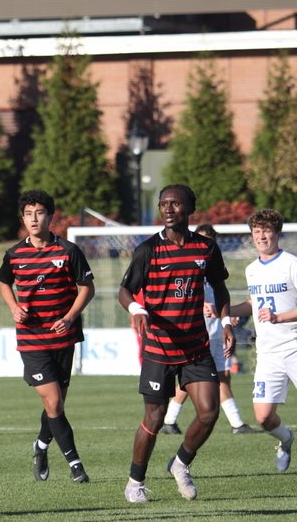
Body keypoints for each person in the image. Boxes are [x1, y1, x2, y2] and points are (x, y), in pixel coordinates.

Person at [119, 184, 234, 503]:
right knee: (154, 418)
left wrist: (225, 322)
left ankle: (180, 463)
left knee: (210, 412)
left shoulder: (206, 249)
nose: (168, 209)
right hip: (159, 348)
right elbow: (124, 291)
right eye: (163, 204)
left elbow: (220, 288)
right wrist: (137, 308)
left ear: (190, 208)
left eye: (175, 203)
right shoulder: (148, 250)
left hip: (196, 347)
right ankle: (135, 482)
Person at [0, 189, 95, 484]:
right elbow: (4, 282)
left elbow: (87, 288)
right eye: (28, 213)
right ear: (23, 218)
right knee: (52, 401)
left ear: (50, 217)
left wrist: (68, 317)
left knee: (56, 406)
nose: (33, 218)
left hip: (64, 338)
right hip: (32, 339)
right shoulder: (14, 254)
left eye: (39, 212)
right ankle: (76, 465)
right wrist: (14, 307)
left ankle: (40, 446)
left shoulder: (68, 251)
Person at [160, 224, 257, 435]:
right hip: (198, 334)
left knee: (219, 378)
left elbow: (220, 297)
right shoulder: (188, 265)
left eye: (210, 241)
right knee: (200, 379)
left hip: (217, 333)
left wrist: (228, 317)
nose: (205, 245)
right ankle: (236, 424)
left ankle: (171, 420)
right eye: (202, 240)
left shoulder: (214, 267)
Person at [229, 209, 297, 472]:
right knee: (263, 417)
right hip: (268, 353)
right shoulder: (252, 270)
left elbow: (274, 312)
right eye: (256, 232)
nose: (261, 236)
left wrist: (279, 318)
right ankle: (286, 439)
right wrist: (226, 312)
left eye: (266, 231)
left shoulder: (291, 263)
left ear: (277, 233)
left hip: (294, 346)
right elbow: (254, 304)